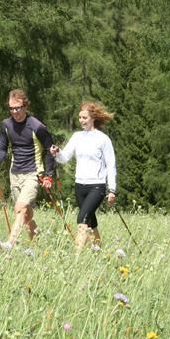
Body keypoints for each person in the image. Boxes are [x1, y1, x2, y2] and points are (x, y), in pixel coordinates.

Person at [0, 89, 56, 250]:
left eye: (17, 108)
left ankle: (9, 244)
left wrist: (48, 176)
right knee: (26, 215)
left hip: (33, 174)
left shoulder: (37, 126)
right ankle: (38, 248)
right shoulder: (6, 125)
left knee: (20, 208)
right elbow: (2, 148)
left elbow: (50, 150)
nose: (14, 112)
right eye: (11, 108)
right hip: (15, 174)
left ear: (25, 106)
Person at [50, 101, 116, 250]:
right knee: (90, 220)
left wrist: (112, 190)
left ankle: (76, 256)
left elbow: (111, 165)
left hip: (97, 186)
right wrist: (57, 152)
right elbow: (64, 157)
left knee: (82, 218)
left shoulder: (103, 139)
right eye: (80, 117)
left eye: (84, 118)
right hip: (80, 186)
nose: (81, 120)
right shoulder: (77, 136)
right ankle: (98, 250)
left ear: (93, 118)